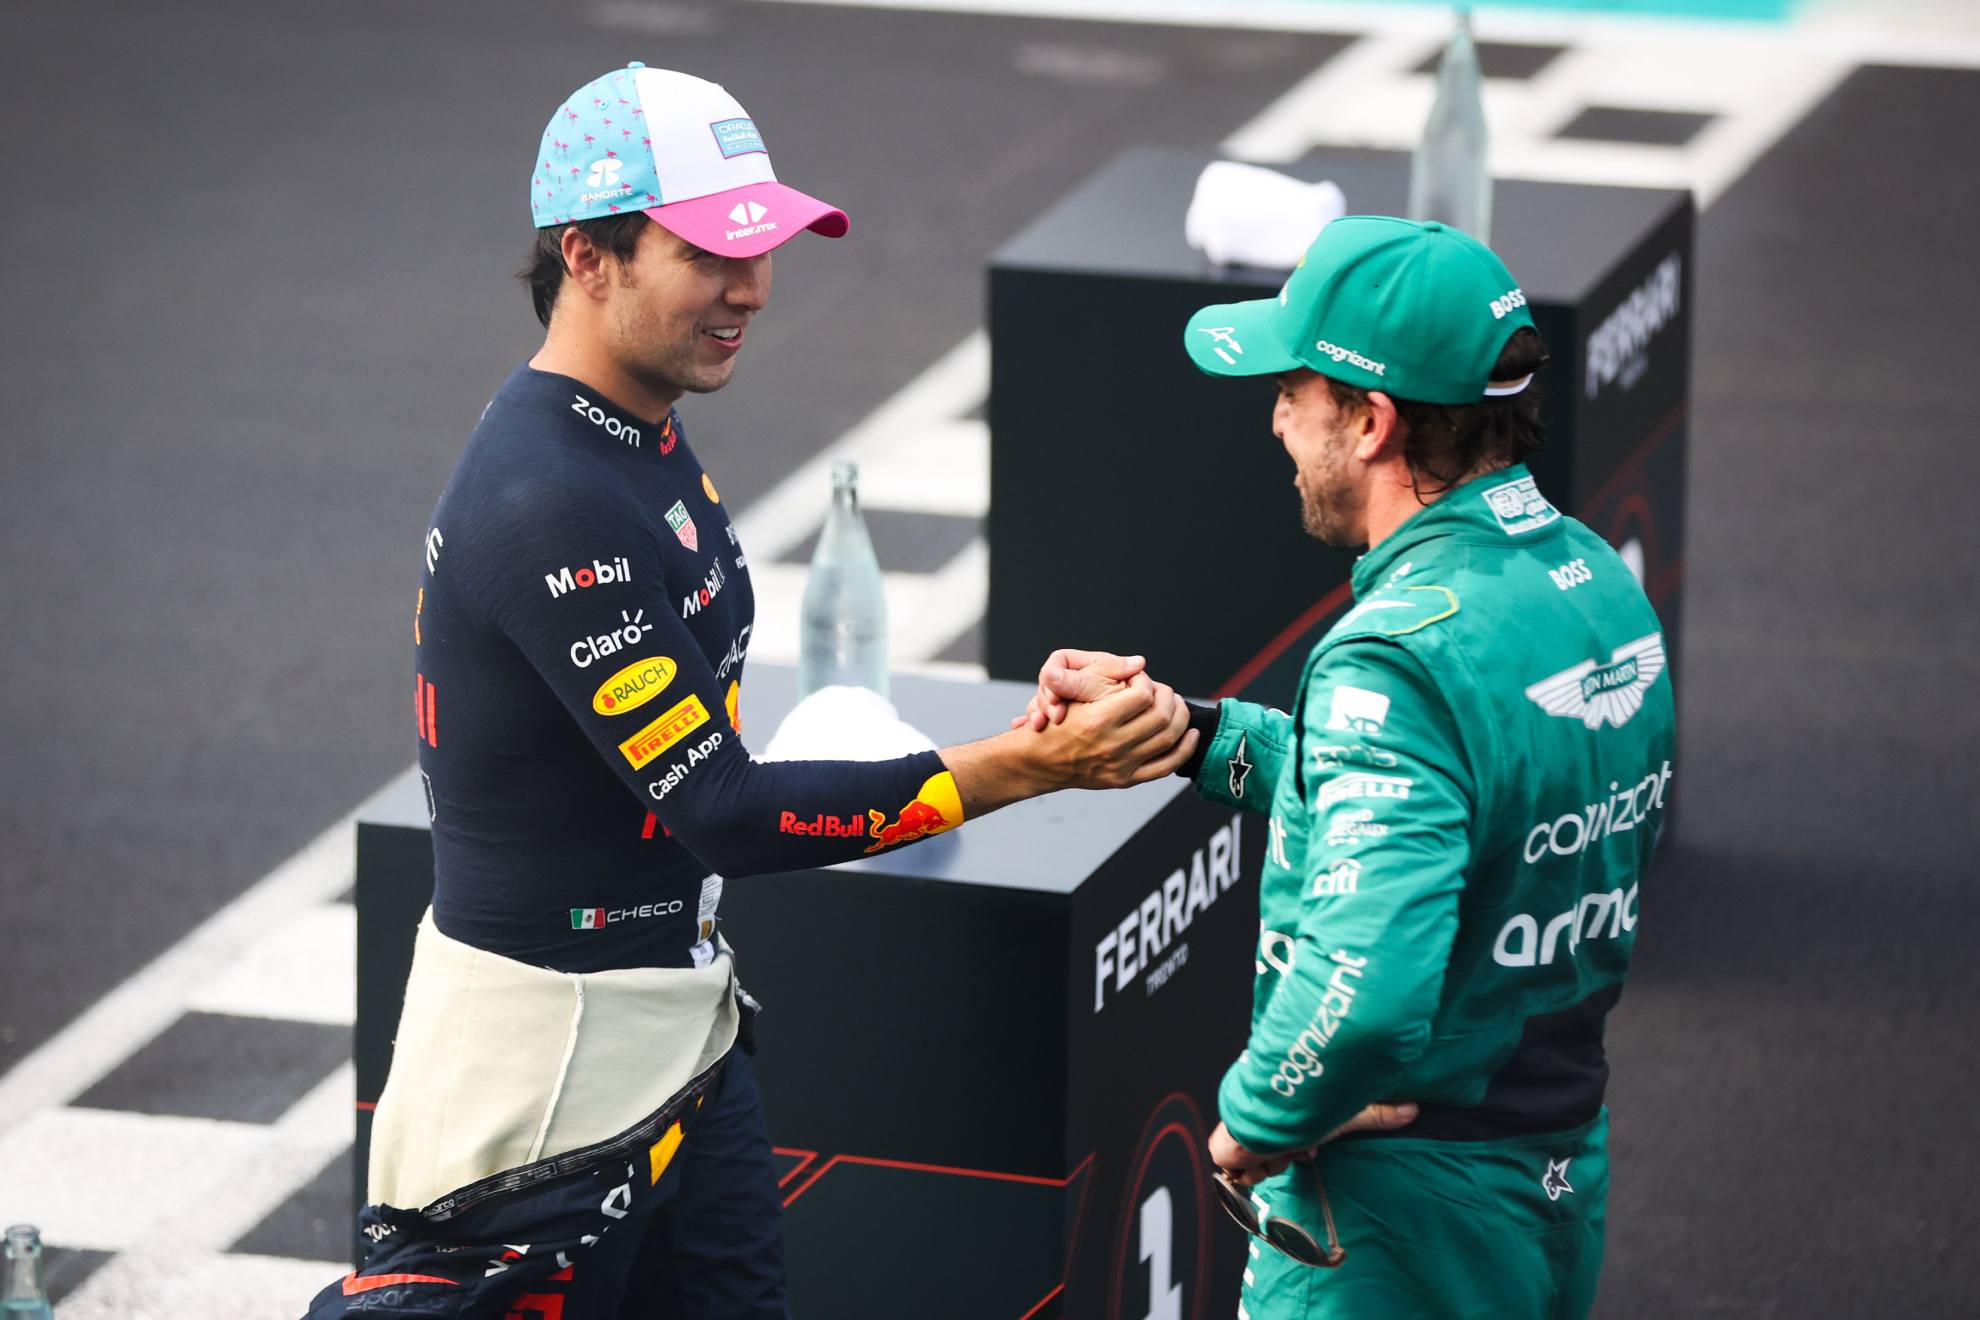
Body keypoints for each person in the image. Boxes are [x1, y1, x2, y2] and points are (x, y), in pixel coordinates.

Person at [306, 64, 1194, 1320]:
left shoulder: (631, 426)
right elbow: (717, 808)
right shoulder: (546, 494)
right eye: (712, 251)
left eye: (763, 242)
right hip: (540, 1094)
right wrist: (1024, 765)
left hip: (686, 1036)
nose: (752, 286)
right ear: (587, 255)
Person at [1024, 216, 1675, 1319]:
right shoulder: (1592, 580)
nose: (1277, 421)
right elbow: (1463, 810)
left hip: (1390, 1225)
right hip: (1550, 1171)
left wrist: (1254, 1120)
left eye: (1295, 390)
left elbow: (1362, 993)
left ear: (1370, 421)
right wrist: (1191, 728)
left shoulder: (1399, 651)